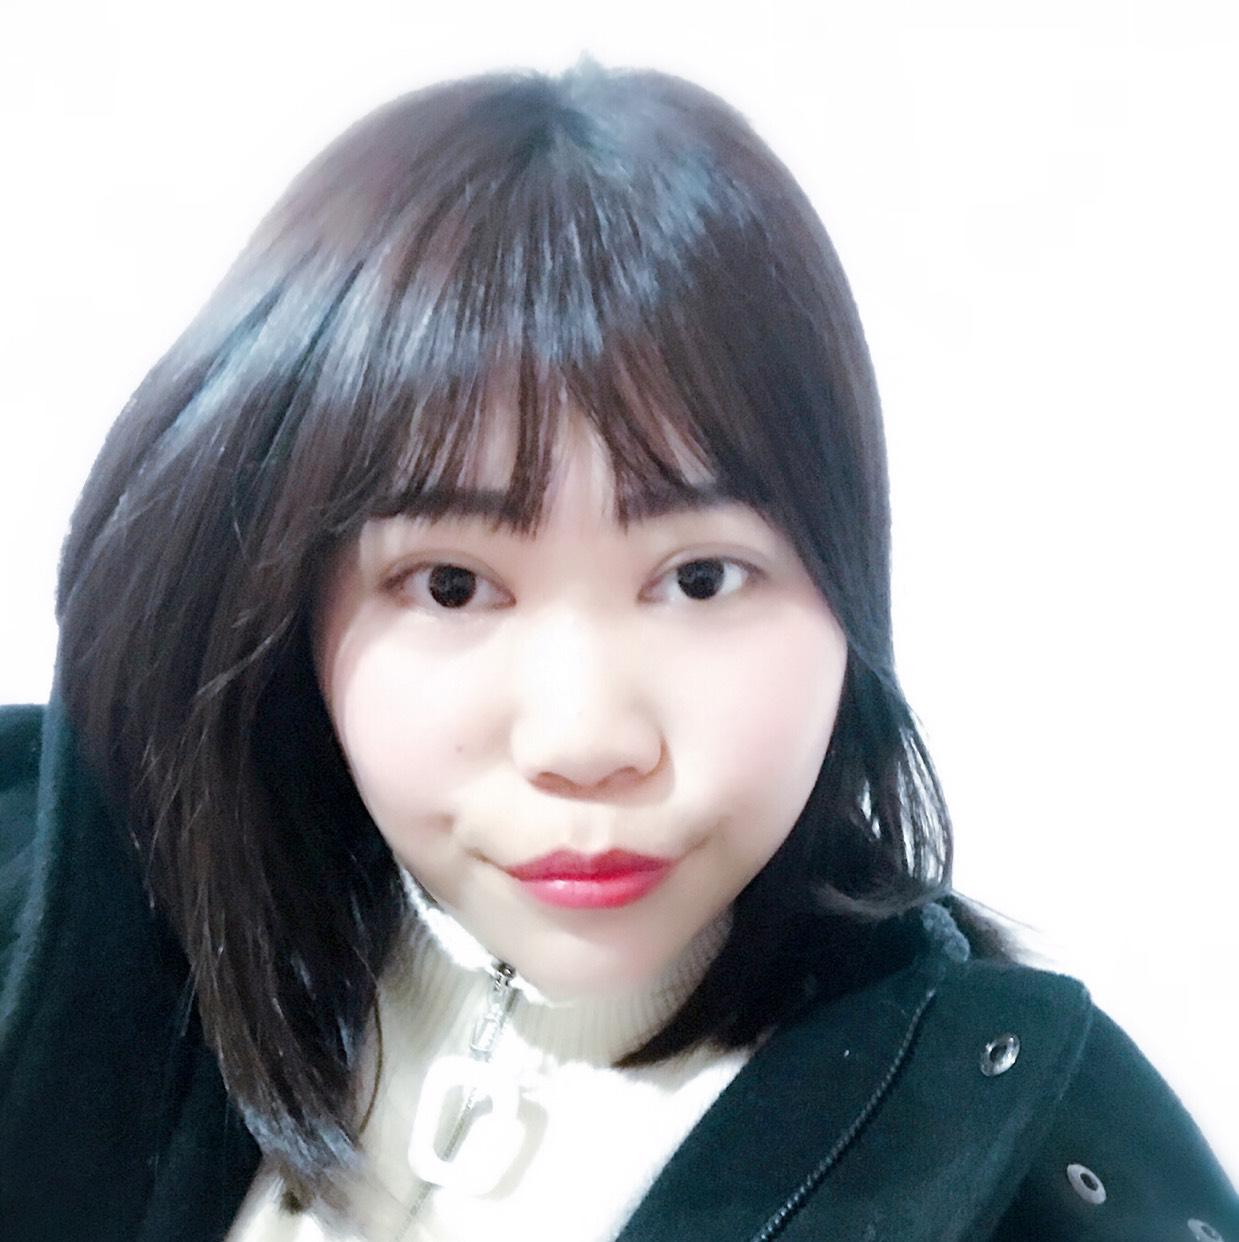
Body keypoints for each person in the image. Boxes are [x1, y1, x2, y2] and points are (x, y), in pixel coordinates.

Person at [0, 57, 1234, 1242]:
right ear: (288, 602)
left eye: (700, 579)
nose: (585, 740)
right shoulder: (59, 910)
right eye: (452, 585)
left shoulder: (1023, 1156)